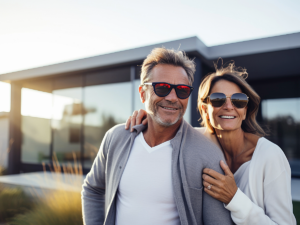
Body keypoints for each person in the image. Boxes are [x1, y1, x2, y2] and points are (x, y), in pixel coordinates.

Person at [126, 60, 296, 225]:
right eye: (217, 99)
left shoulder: (270, 156)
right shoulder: (196, 141)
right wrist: (148, 115)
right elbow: (166, 126)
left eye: (238, 100)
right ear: (205, 110)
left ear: (245, 111)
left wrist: (234, 198)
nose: (229, 106)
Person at [81, 48, 233, 225]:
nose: (172, 97)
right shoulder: (115, 138)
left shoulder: (207, 154)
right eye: (162, 88)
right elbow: (93, 189)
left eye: (182, 90)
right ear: (142, 93)